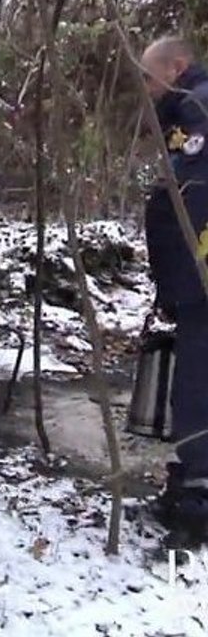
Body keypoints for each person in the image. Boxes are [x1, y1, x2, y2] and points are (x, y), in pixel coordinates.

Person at [140, 36, 208, 548]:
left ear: (176, 67)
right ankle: (188, 483)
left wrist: (188, 274)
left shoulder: (198, 111)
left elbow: (192, 200)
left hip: (201, 279)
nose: (145, 89)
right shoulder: (184, 113)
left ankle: (198, 502)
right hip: (188, 279)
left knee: (196, 387)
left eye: (148, 77)